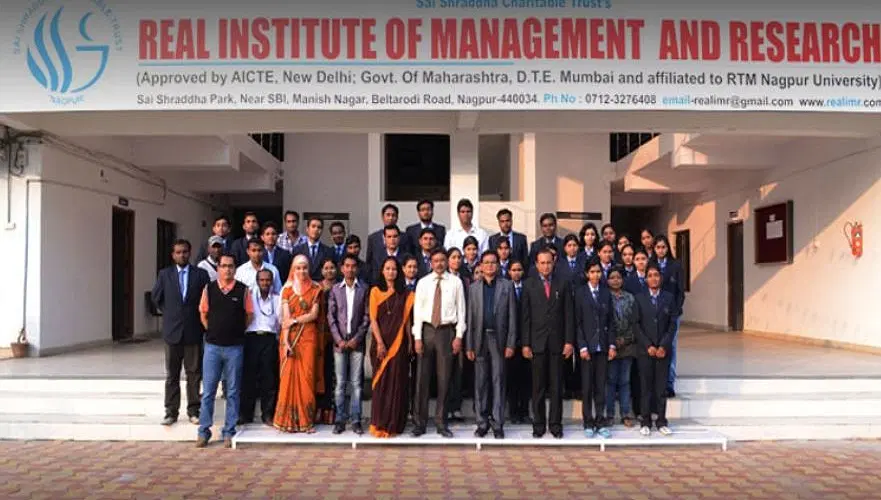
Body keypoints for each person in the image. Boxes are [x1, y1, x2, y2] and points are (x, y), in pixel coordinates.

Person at [196, 253, 253, 448]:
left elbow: (249, 316)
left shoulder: (243, 290)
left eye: (230, 266)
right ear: (218, 268)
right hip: (212, 347)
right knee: (208, 391)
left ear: (235, 269)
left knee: (233, 391)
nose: (227, 269)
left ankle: (229, 431)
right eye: (223, 266)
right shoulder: (209, 289)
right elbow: (203, 314)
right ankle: (203, 432)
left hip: (234, 348)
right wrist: (212, 331)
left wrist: (236, 331)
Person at [152, 239, 211, 426]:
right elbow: (156, 298)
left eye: (185, 251)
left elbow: (207, 300)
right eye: (178, 252)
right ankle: (171, 412)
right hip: (172, 332)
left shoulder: (200, 275)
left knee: (194, 373)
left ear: (190, 252)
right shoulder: (165, 274)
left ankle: (194, 410)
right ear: (173, 255)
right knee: (172, 375)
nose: (182, 255)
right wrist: (171, 313)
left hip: (193, 331)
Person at [412, 248, 466, 438]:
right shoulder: (423, 282)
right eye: (435, 261)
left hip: (446, 332)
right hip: (427, 331)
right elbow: (417, 312)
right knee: (422, 379)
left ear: (447, 261)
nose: (439, 264)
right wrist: (417, 338)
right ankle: (419, 423)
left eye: (442, 260)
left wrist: (459, 336)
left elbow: (461, 311)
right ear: (431, 262)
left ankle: (442, 423)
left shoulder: (456, 282)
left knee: (445, 379)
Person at [520, 248, 574, 439]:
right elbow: (525, 317)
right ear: (536, 264)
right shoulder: (529, 285)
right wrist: (525, 344)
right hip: (537, 343)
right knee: (538, 387)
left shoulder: (563, 283)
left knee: (557, 386)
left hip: (558, 343)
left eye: (549, 262)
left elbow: (569, 314)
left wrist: (569, 341)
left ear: (554, 262)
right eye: (542, 263)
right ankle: (539, 424)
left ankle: (556, 424)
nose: (546, 266)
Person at [466, 250, 517, 439]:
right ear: (480, 265)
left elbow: (512, 317)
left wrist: (511, 343)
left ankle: (497, 423)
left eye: (493, 262)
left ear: (498, 265)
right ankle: (482, 423)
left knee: (498, 380)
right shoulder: (473, 288)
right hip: (479, 338)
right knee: (480, 382)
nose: (489, 266)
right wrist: (469, 345)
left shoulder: (507, 286)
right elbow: (470, 318)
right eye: (486, 262)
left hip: (499, 339)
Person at [274, 255, 323, 433]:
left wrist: (295, 320)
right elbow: (285, 318)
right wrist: (286, 342)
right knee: (288, 378)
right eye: (298, 268)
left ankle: (305, 421)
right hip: (290, 338)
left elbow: (314, 315)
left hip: (308, 338)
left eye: (305, 268)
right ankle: (286, 421)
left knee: (306, 378)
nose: (302, 271)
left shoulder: (316, 289)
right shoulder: (287, 290)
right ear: (293, 270)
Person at [368, 257, 416, 437]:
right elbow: (373, 320)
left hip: (399, 344)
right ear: (382, 271)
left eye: (394, 269)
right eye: (387, 268)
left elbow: (407, 321)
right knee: (381, 384)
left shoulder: (406, 294)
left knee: (397, 383)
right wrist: (380, 343)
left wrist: (410, 341)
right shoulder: (375, 292)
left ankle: (394, 423)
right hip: (381, 344)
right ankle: (379, 422)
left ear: (399, 271)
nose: (391, 272)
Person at [327, 254, 370, 435]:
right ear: (342, 268)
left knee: (356, 384)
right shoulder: (335, 289)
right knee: (340, 384)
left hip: (356, 344)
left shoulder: (364, 289)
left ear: (357, 268)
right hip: (339, 344)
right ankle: (340, 420)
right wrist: (338, 339)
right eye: (347, 266)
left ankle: (356, 419)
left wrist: (356, 339)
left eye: (353, 266)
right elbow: (331, 317)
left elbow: (367, 317)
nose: (350, 269)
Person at [635, 264, 678, 437]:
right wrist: (648, 345)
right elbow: (636, 325)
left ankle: (661, 421)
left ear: (661, 278)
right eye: (650, 275)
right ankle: (645, 421)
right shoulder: (639, 298)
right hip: (645, 351)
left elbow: (672, 325)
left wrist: (663, 346)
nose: (653, 278)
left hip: (662, 351)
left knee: (660, 389)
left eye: (656, 275)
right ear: (646, 279)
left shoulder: (669, 297)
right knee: (645, 388)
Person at [575, 259, 613, 439]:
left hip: (603, 346)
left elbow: (611, 321)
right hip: (587, 349)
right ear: (586, 274)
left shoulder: (606, 293)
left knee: (600, 386)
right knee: (587, 387)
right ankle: (588, 421)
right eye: (592, 272)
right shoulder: (580, 293)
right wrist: (582, 346)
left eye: (598, 272)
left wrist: (611, 344)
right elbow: (578, 323)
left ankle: (600, 420)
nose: (596, 275)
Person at [239, 269, 281, 426]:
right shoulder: (249, 297)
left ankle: (268, 414)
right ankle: (245, 414)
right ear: (257, 281)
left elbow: (280, 321)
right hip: (251, 338)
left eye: (268, 280)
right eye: (262, 280)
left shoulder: (277, 299)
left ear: (272, 282)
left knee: (269, 378)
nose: (265, 283)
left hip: (269, 339)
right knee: (248, 378)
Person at [605, 267, 639, 428]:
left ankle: (625, 414)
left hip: (628, 345)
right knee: (610, 381)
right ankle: (610, 414)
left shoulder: (630, 298)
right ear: (607, 280)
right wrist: (612, 341)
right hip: (610, 346)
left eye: (618, 277)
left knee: (625, 381)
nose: (615, 280)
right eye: (612, 278)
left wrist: (625, 339)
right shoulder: (604, 297)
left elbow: (635, 322)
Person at [652, 235, 685, 398]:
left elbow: (680, 291)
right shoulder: (651, 264)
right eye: (658, 247)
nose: (660, 250)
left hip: (671, 313)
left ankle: (669, 384)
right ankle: (656, 383)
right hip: (654, 313)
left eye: (663, 247)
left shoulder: (676, 265)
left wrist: (676, 311)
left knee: (670, 346)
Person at [505, 260, 530, 424]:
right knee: (512, 378)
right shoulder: (505, 288)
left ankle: (525, 411)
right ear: (508, 272)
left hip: (526, 340)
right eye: (513, 270)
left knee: (526, 378)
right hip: (510, 340)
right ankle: (513, 412)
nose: (516, 272)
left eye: (519, 269)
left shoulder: (528, 287)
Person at [315, 258, 339, 425]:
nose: (329, 271)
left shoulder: (340, 287)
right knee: (319, 373)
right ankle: (318, 408)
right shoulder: (316, 288)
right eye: (326, 268)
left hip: (337, 336)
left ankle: (330, 409)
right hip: (319, 336)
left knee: (333, 373)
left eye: (332, 268)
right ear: (322, 271)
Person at [291, 216, 334, 281]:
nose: (316, 229)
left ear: (322, 231)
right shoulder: (297, 250)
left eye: (319, 227)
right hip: (302, 285)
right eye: (313, 226)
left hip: (321, 286)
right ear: (307, 229)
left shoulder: (328, 251)